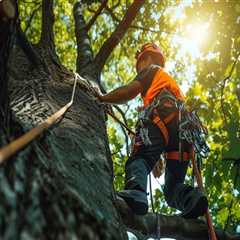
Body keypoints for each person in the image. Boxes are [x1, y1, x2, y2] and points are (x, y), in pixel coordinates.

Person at [97, 43, 208, 218]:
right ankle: (191, 199)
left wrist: (103, 98)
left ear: (146, 59)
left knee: (140, 158)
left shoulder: (151, 70)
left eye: (139, 63)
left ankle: (136, 191)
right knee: (172, 189)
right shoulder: (166, 81)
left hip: (160, 117)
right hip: (183, 132)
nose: (138, 67)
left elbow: (128, 91)